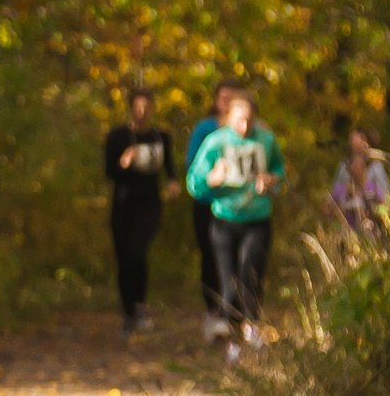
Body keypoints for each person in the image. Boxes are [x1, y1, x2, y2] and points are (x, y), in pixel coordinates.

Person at [186, 92, 284, 362]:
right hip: (225, 220)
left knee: (250, 273)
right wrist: (212, 179)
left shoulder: (266, 139)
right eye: (240, 121)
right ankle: (232, 338)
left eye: (250, 121)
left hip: (258, 219)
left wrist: (272, 180)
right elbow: (194, 181)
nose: (244, 127)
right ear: (230, 118)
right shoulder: (216, 142)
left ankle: (252, 326)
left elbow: (280, 169)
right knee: (229, 281)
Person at [102, 91, 173, 335]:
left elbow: (169, 168)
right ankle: (128, 311)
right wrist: (124, 163)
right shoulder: (118, 136)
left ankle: (140, 305)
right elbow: (110, 172)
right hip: (123, 205)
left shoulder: (160, 136)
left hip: (149, 204)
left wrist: (173, 182)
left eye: (146, 106)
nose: (142, 111)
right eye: (137, 106)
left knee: (137, 252)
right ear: (130, 108)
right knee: (124, 257)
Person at [187, 79, 243, 337]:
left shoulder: (249, 131)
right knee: (211, 257)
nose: (227, 103)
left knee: (239, 258)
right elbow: (193, 167)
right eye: (223, 98)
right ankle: (213, 309)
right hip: (208, 204)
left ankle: (237, 312)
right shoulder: (205, 129)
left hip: (238, 206)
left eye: (233, 98)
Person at [329, 122, 390, 239]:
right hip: (347, 224)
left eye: (355, 138)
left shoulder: (376, 167)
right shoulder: (343, 166)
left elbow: (386, 199)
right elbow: (333, 198)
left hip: (372, 223)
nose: (351, 141)